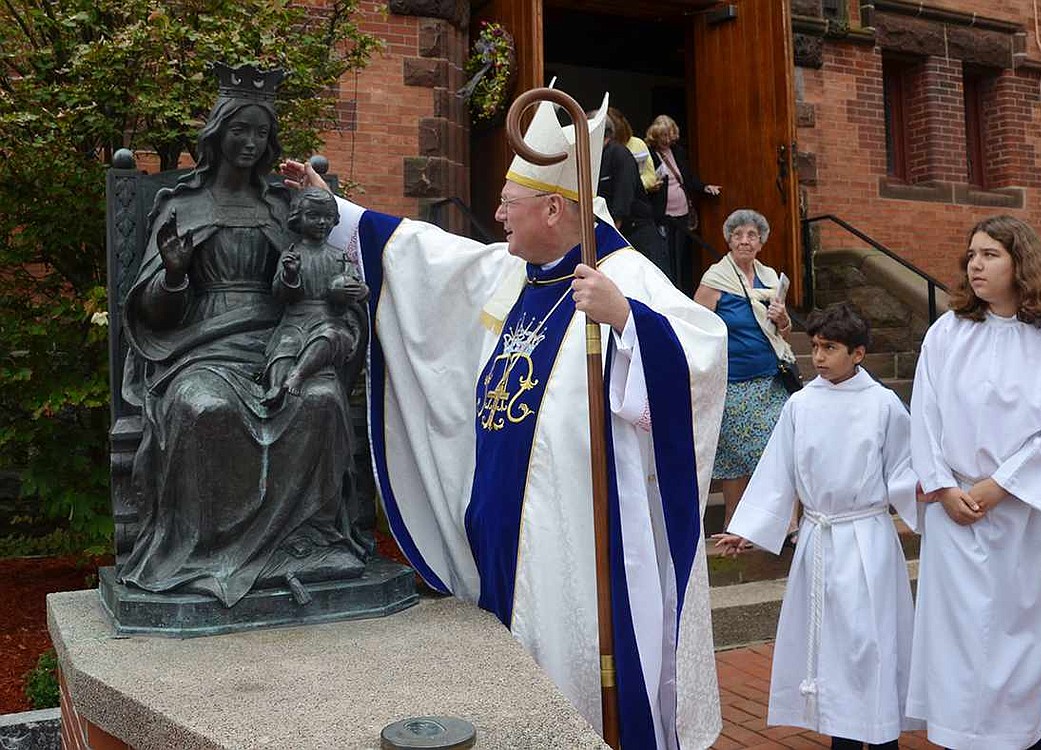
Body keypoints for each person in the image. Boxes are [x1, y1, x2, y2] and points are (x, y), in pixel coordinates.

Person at [281, 90, 727, 750]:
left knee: (576, 683)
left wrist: (630, 320)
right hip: (503, 534)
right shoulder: (516, 271)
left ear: (554, 207)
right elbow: (423, 255)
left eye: (508, 206)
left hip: (576, 541)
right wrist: (335, 211)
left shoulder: (622, 274)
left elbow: (704, 355)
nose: (495, 216)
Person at [119, 64, 368, 606]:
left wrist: (338, 301)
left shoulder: (286, 207)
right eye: (240, 130)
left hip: (279, 336)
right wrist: (177, 274)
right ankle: (205, 553)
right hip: (201, 342)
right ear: (218, 133)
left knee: (321, 398)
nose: (251, 142)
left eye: (261, 132)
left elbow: (326, 271)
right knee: (204, 407)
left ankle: (308, 544)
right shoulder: (181, 206)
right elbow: (151, 315)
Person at [908, 215, 1041, 750]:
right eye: (971, 254)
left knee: (1017, 649)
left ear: (1022, 263)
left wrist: (1004, 485)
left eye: (990, 254)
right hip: (957, 514)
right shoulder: (948, 332)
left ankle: (1020, 740)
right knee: (959, 648)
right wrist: (943, 486)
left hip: (1028, 517)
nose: (975, 264)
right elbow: (923, 415)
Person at [713, 302, 922, 749]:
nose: (820, 357)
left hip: (867, 539)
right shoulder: (801, 405)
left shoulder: (884, 405)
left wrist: (937, 497)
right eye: (815, 347)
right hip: (820, 540)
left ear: (859, 353)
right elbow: (777, 473)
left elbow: (904, 472)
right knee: (830, 645)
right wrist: (748, 529)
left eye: (831, 348)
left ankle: (882, 734)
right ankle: (843, 737)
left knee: (872, 641)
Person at [694, 209, 795, 530]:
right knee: (736, 459)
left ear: (761, 242)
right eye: (738, 235)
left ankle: (783, 525)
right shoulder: (716, 279)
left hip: (770, 380)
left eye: (751, 235)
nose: (744, 241)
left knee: (781, 451)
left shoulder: (770, 279)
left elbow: (784, 330)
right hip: (734, 382)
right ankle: (734, 527)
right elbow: (696, 325)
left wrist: (781, 318)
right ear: (729, 240)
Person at [261, 187, 368, 407]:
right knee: (285, 346)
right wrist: (290, 274)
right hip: (296, 320)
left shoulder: (340, 257)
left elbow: (358, 285)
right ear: (297, 218)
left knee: (328, 337)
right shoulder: (291, 255)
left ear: (335, 221)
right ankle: (276, 386)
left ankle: (297, 375)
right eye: (313, 216)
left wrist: (360, 291)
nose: (322, 222)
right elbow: (280, 294)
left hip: (330, 319)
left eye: (328, 217)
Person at [645, 114, 721, 294]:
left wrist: (704, 187)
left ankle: (682, 289)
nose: (666, 140)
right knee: (666, 255)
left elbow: (687, 177)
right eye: (662, 136)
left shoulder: (677, 151)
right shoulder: (649, 153)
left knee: (681, 255)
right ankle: (669, 291)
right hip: (663, 214)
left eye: (669, 135)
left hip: (682, 211)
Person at [597, 111, 666, 273]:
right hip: (615, 232)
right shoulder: (598, 156)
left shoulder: (619, 154)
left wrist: (611, 239)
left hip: (635, 233)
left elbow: (623, 197)